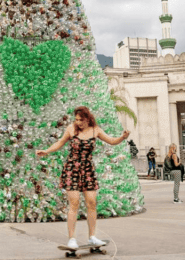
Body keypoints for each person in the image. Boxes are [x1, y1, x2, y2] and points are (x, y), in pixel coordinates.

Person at [36, 106, 130, 250]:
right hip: (72, 169)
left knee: (91, 203)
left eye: (81, 119)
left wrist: (122, 137)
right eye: (76, 119)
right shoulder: (71, 129)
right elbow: (60, 143)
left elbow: (111, 141)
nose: (78, 122)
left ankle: (92, 237)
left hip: (88, 170)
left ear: (88, 119)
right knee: (74, 204)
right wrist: (46, 151)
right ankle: (72, 239)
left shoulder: (95, 130)